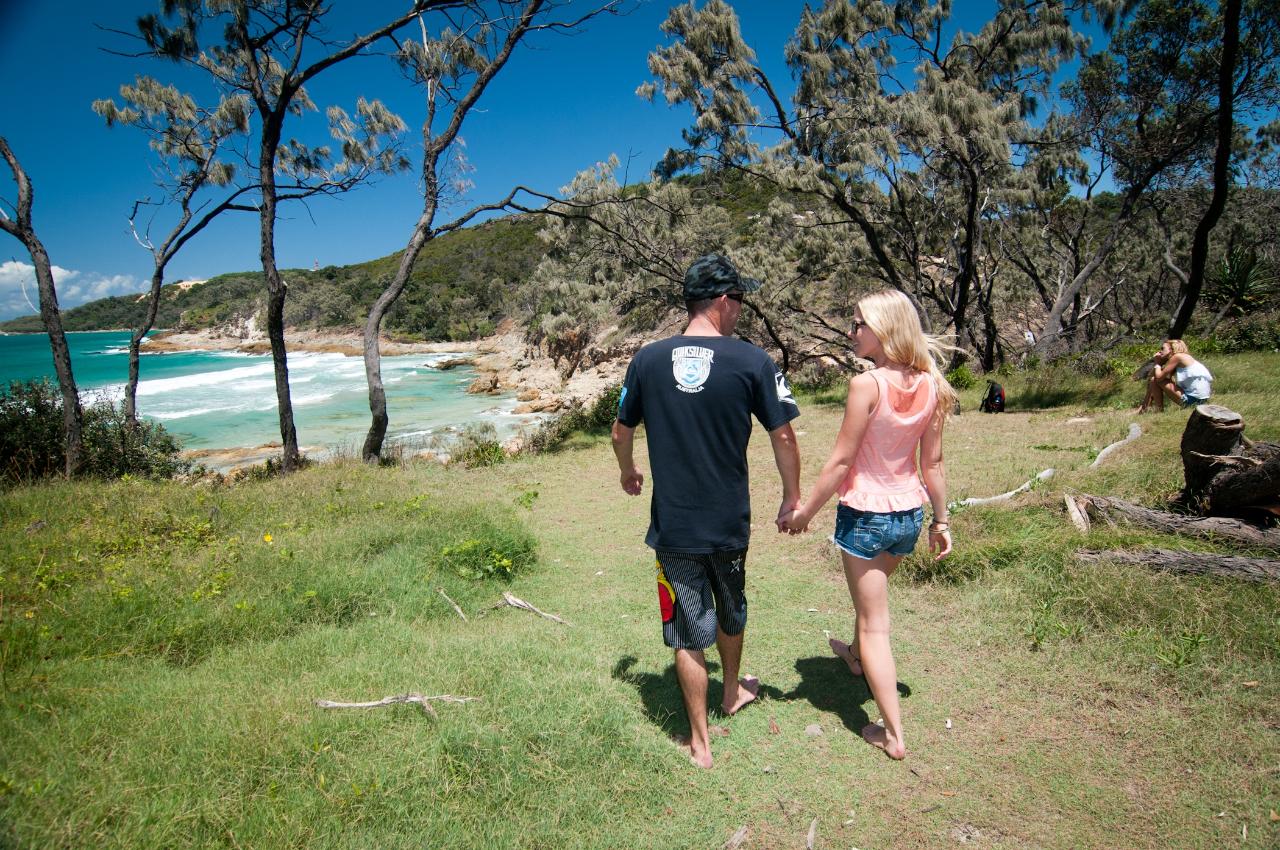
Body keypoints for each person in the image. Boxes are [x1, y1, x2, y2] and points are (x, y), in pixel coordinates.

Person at [612, 253, 802, 769]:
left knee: (684, 629)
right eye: (739, 299)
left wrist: (629, 471)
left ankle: (700, 743)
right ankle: (731, 691)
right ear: (721, 301)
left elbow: (621, 431)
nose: (741, 309)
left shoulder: (647, 360)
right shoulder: (753, 361)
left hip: (673, 524)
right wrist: (791, 496)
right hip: (728, 521)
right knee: (730, 605)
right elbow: (783, 435)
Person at [780, 290, 954, 761]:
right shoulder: (931, 384)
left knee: (875, 623)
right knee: (870, 600)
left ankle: (893, 734)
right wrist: (941, 521)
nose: (851, 331)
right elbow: (933, 464)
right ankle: (855, 657)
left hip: (866, 516)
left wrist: (803, 513)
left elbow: (841, 462)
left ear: (884, 329)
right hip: (908, 517)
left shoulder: (867, 385)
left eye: (858, 324)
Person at [1137, 339, 1213, 413]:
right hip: (1202, 400)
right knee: (1154, 380)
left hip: (1192, 400)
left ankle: (1158, 410)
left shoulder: (1177, 357)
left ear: (1172, 349)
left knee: (1154, 380)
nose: (1160, 351)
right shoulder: (1184, 358)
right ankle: (1144, 408)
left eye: (1163, 348)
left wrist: (1157, 363)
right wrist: (1160, 363)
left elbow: (1159, 378)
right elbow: (1154, 376)